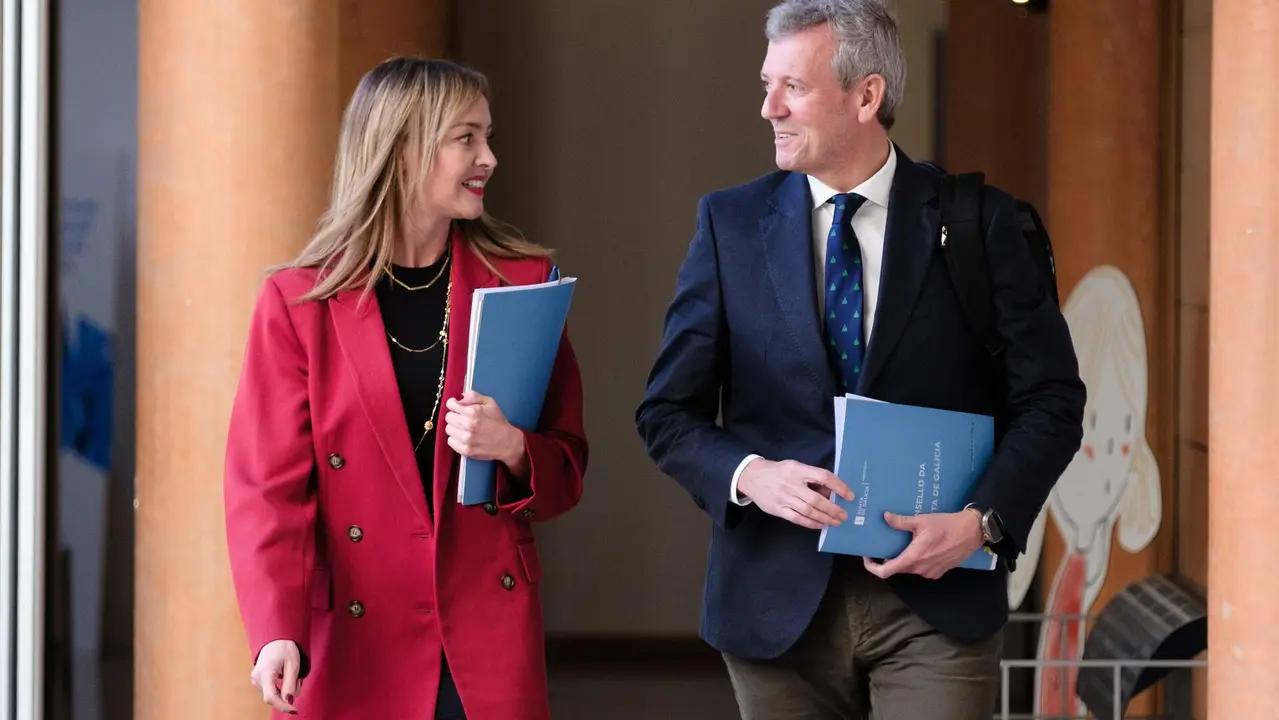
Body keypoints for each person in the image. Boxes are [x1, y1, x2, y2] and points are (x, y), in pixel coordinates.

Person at [634, 1, 1085, 718]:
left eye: (792, 87)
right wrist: (753, 476)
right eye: (765, 83)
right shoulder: (729, 225)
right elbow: (666, 414)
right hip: (772, 608)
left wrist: (980, 521)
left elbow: (1052, 402)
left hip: (939, 601)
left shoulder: (979, 222)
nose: (767, 108)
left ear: (865, 94)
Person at [223, 57, 588, 720]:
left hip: (484, 635)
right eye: (466, 138)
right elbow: (266, 490)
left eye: (488, 136)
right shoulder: (298, 303)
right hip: (355, 640)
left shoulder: (523, 283)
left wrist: (512, 447)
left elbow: (566, 470)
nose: (490, 158)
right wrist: (275, 629)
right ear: (401, 151)